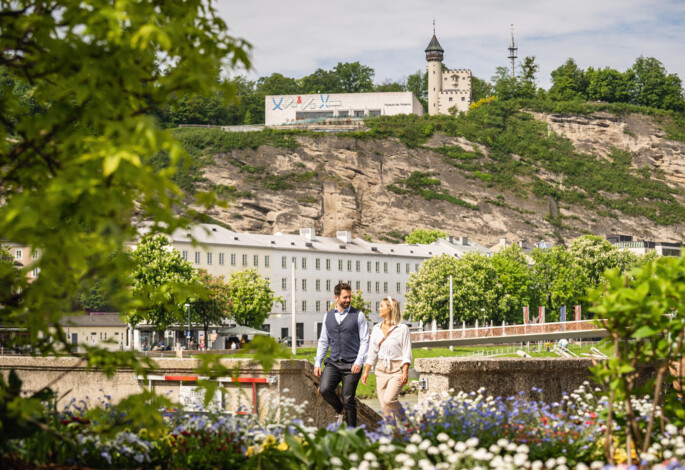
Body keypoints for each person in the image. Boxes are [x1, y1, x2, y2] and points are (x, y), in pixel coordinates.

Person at [314, 282, 369, 427]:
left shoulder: (359, 315)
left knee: (348, 399)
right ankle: (340, 409)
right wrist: (317, 362)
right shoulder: (328, 316)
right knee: (325, 389)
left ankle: (352, 434)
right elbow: (323, 341)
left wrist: (359, 362)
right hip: (333, 362)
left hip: (352, 363)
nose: (348, 300)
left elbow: (364, 341)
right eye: (345, 297)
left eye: (350, 297)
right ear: (336, 297)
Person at [361, 296, 412, 420]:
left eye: (382, 306)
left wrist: (405, 371)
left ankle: (405, 420)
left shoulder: (402, 329)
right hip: (381, 369)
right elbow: (372, 352)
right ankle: (393, 436)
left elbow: (407, 352)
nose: (379, 308)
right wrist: (366, 371)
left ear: (390, 308)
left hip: (397, 370)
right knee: (385, 409)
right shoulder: (377, 329)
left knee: (389, 400)